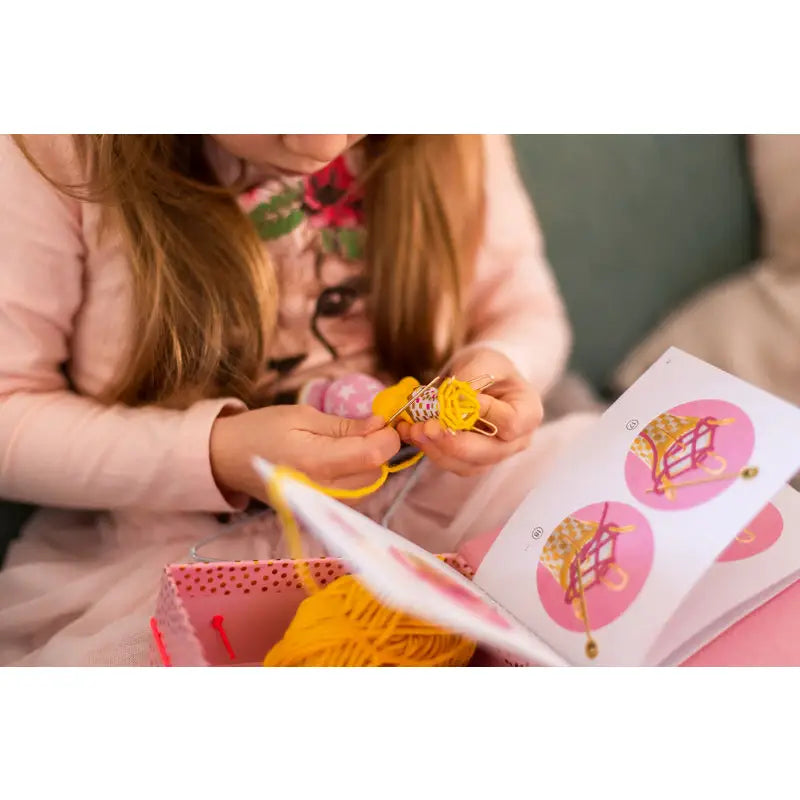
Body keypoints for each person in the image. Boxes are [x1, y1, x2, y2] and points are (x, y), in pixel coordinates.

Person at [0, 134, 594, 665]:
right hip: (181, 545)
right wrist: (217, 453)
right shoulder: (53, 146)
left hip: (443, 493)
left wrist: (501, 374)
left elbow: (526, 311)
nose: (321, 142)